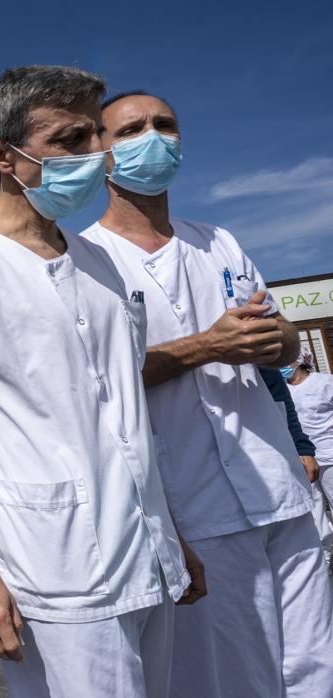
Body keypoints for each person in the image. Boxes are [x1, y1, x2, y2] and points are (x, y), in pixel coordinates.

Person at [0, 66, 202, 698]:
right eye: (72, 141)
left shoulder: (99, 261)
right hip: (55, 564)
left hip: (144, 549)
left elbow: (124, 410)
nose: (99, 154)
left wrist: (169, 534)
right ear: (1, 156)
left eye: (97, 135)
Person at [83, 91, 333, 696]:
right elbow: (94, 382)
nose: (154, 137)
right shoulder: (87, 260)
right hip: (195, 509)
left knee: (313, 667)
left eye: (165, 125)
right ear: (102, 156)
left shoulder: (218, 241)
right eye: (133, 129)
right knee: (232, 676)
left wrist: (282, 340)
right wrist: (206, 347)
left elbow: (281, 344)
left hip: (281, 489)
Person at [286, 350, 333, 558]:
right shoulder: (282, 391)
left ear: (298, 361)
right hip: (303, 460)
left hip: (330, 456)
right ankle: (327, 554)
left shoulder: (325, 382)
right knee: (314, 512)